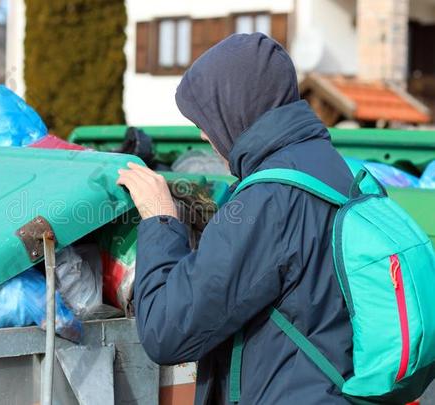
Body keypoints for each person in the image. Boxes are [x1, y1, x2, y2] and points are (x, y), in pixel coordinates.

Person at [116, 33, 354, 404]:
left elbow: (167, 331)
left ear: (235, 110)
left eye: (206, 118)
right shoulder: (335, 170)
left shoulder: (268, 201)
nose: (202, 132)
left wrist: (160, 218)